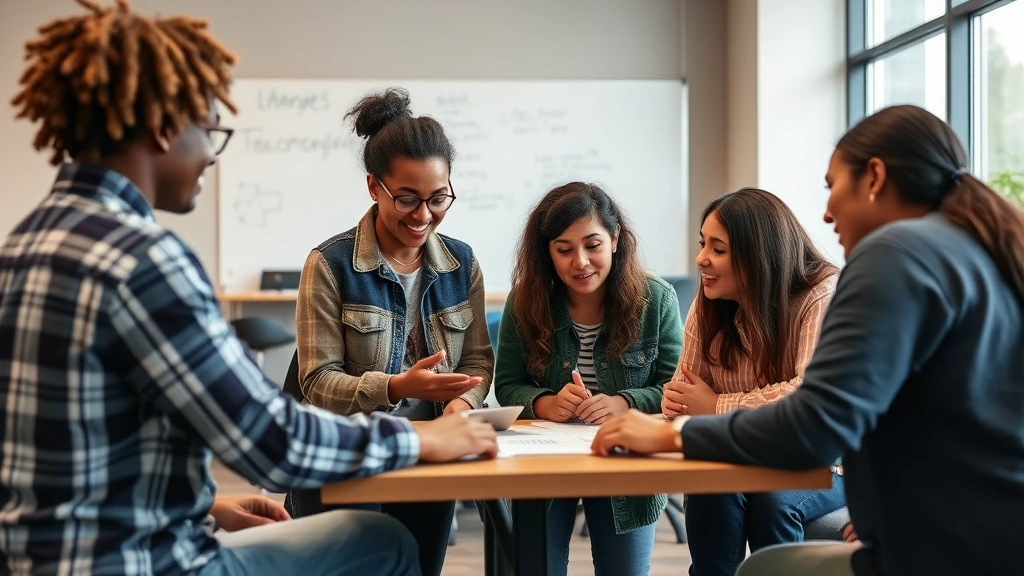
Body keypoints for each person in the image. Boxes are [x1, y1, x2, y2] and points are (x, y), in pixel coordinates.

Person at [0, 2, 498, 575]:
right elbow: (270, 439)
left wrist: (203, 507)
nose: (212, 154)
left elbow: (70, 451)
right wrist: (418, 442)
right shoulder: (142, 260)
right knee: (383, 541)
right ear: (166, 129)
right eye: (209, 129)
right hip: (146, 563)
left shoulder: (23, 245)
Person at [592, 104, 1024, 576]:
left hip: (945, 549)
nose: (826, 209)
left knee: (768, 568)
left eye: (832, 185)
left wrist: (671, 432)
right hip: (988, 531)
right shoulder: (985, 250)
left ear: (874, 177)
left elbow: (815, 426)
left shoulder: (893, 254)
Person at [288, 87, 493, 576]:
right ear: (373, 187)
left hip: (430, 455)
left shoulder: (461, 264)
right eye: (406, 199)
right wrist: (398, 387)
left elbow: (479, 361)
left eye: (438, 198)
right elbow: (316, 384)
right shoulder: (330, 264)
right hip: (347, 458)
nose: (424, 216)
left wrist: (461, 405)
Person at [494, 182, 683, 576]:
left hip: (626, 463)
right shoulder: (524, 301)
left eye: (592, 245)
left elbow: (676, 389)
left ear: (615, 239)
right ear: (547, 251)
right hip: (543, 461)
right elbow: (508, 383)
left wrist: (624, 403)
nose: (580, 262)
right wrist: (545, 403)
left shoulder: (657, 300)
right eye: (564, 249)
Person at [662, 188, 845, 576]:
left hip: (828, 458)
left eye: (718, 248)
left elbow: (807, 397)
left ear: (758, 255)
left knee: (772, 499)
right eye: (702, 244)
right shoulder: (709, 301)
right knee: (711, 485)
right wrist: (688, 404)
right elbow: (681, 394)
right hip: (745, 449)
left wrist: (716, 406)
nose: (701, 259)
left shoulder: (821, 296)